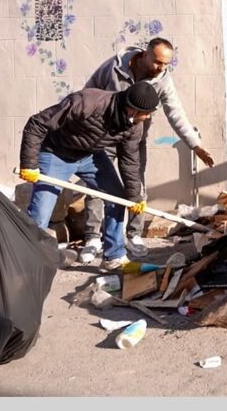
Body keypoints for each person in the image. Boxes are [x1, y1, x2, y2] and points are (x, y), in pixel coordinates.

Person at [78, 38, 214, 263]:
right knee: (95, 185)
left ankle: (134, 234)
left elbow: (175, 113)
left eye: (166, 64)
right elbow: (87, 95)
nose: (161, 68)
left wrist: (195, 145)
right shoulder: (113, 68)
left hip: (134, 140)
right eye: (158, 62)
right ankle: (93, 238)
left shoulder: (163, 80)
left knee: (136, 184)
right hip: (104, 138)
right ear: (144, 55)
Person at [19, 82, 161, 270]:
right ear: (132, 110)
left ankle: (114, 256)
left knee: (118, 200)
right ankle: (26, 263)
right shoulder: (87, 102)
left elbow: (130, 161)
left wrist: (134, 197)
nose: (148, 116)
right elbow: (37, 123)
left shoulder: (134, 126)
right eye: (146, 112)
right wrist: (29, 164)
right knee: (41, 211)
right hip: (55, 153)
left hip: (90, 156)